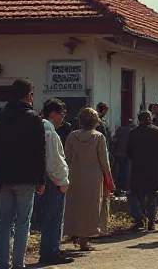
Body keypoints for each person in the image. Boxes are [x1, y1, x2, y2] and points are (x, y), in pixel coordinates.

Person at [0, 79, 46, 269]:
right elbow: (40, 151)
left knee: (4, 222)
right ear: (28, 95)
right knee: (23, 222)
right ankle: (18, 263)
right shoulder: (33, 118)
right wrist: (41, 179)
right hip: (27, 177)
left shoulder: (0, 118)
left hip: (4, 177)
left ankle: (2, 263)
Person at [63, 107, 113, 252]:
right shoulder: (98, 137)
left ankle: (74, 233)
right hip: (94, 177)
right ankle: (85, 239)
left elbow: (67, 156)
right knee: (91, 208)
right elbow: (104, 160)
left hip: (75, 175)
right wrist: (108, 177)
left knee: (75, 205)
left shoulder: (72, 136)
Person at [38, 99, 72, 266]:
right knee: (54, 217)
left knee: (49, 217)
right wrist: (62, 180)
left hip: (46, 178)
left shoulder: (41, 128)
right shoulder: (49, 131)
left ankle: (49, 250)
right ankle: (51, 252)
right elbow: (53, 161)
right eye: (62, 114)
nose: (63, 118)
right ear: (52, 114)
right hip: (53, 180)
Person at [126, 111, 158, 232]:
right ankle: (151, 221)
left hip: (138, 168)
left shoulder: (133, 132)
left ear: (139, 120)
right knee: (152, 196)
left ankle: (139, 218)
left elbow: (128, 151)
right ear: (150, 118)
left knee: (137, 194)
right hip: (153, 168)